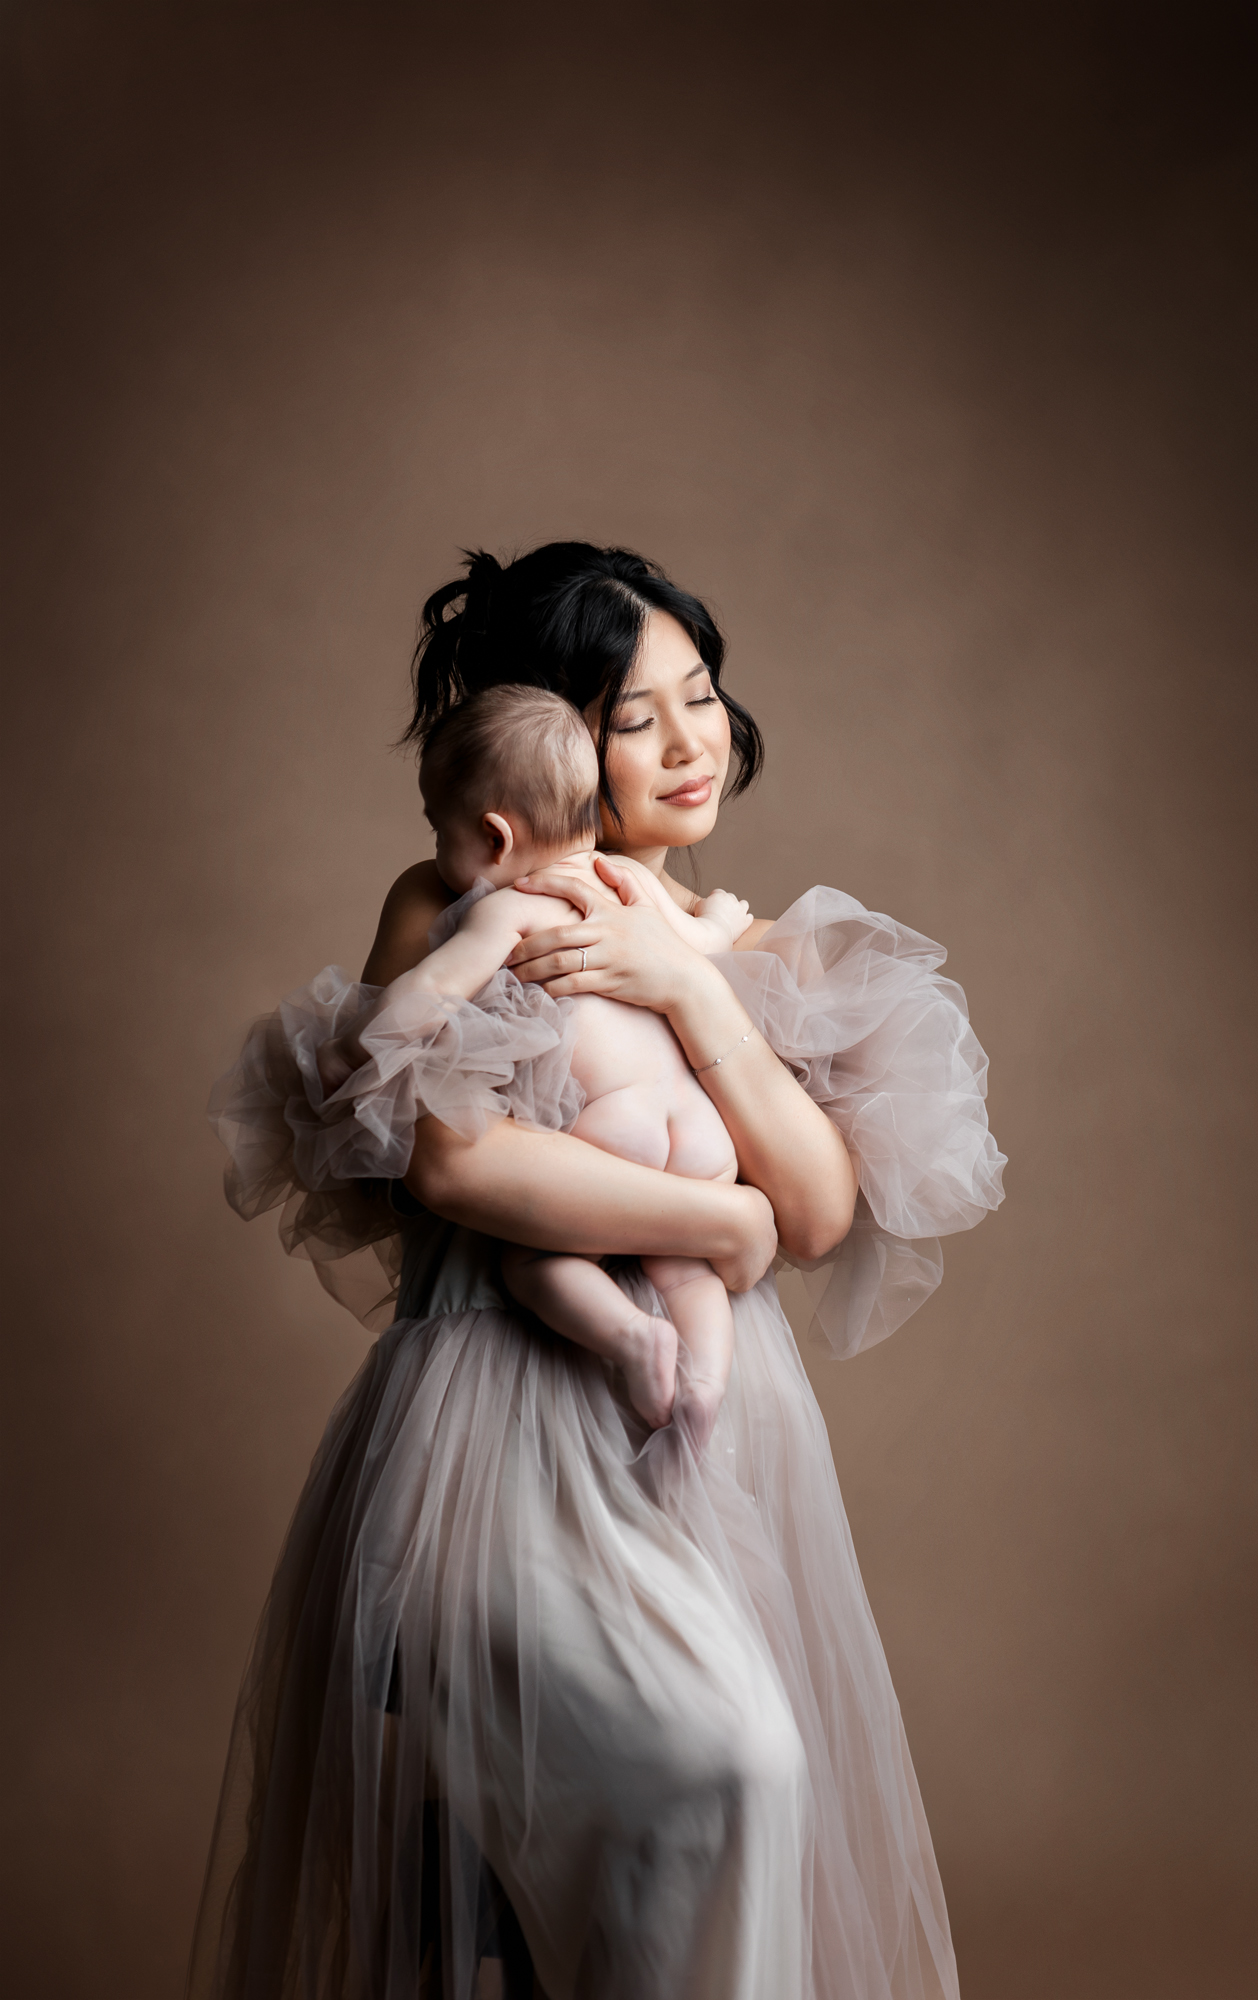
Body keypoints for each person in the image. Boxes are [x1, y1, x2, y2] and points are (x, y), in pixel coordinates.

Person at [192, 543, 1007, 2000]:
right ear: (556, 733)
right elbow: (456, 1167)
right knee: (723, 1766)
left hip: (705, 1445)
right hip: (493, 1434)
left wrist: (694, 988)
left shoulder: (750, 948)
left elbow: (817, 1211)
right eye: (639, 716)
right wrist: (721, 1225)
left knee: (735, 1801)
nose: (693, 740)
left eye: (703, 696)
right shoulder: (459, 899)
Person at [318, 680, 755, 1438]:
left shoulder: (506, 906)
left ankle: (632, 1340)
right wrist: (717, 917)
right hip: (696, 1133)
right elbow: (704, 950)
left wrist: (359, 1045)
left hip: (610, 1133)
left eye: (438, 832)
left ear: (492, 836)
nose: (435, 852)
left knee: (529, 1264)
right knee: (685, 1267)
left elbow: (428, 995)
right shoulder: (629, 885)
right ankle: (705, 1385)